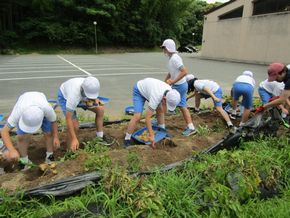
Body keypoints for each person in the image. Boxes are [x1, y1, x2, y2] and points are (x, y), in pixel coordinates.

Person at [0, 92, 60, 170]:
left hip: (40, 102)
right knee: (21, 137)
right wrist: (12, 150)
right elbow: (4, 131)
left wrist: (56, 136)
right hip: (23, 102)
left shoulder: (47, 109)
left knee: (48, 134)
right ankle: (25, 162)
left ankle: (50, 157)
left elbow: (53, 121)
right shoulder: (18, 111)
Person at [124, 78, 181, 148]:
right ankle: (127, 138)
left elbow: (163, 110)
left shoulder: (171, 92)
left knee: (160, 110)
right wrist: (151, 135)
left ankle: (162, 131)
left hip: (150, 89)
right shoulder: (156, 97)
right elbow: (147, 118)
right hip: (139, 90)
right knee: (137, 116)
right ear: (164, 99)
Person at [58, 76, 106, 152]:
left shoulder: (91, 84)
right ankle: (69, 150)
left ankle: (99, 137)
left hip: (82, 97)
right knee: (75, 126)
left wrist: (95, 99)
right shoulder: (73, 96)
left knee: (100, 110)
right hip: (65, 97)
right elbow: (68, 119)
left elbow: (93, 95)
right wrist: (74, 139)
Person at [161, 39, 196, 136]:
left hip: (179, 86)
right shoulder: (171, 58)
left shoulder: (175, 58)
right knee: (182, 106)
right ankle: (191, 127)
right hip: (179, 85)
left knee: (164, 99)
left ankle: (161, 123)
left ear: (168, 48)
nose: (163, 50)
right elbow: (171, 72)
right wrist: (165, 82)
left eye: (164, 48)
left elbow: (184, 71)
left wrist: (173, 81)